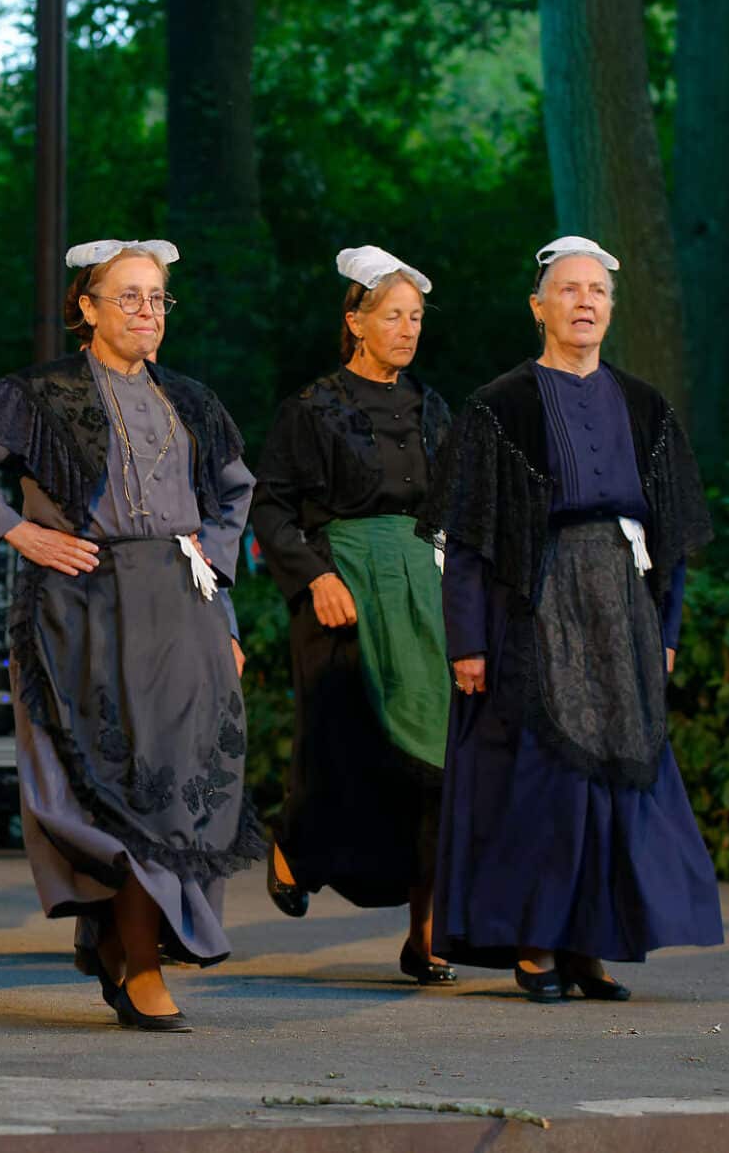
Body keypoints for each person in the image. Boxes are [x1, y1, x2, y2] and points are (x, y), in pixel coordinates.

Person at [0, 237, 262, 1032]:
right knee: (115, 785)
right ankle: (140, 964)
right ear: (87, 307)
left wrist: (219, 595)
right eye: (129, 296)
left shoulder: (194, 401)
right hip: (82, 608)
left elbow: (234, 491)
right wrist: (14, 530)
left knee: (178, 782)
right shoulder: (41, 392)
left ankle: (119, 941)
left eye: (158, 298)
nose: (147, 311)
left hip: (182, 608)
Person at [418, 234, 723, 1002]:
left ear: (611, 309)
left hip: (621, 605)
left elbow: (672, 537)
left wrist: (668, 630)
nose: (585, 302)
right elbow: (467, 538)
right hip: (533, 605)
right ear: (539, 307)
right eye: (569, 290)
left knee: (619, 781)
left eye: (597, 292)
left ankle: (591, 944)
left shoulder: (646, 407)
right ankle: (536, 945)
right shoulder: (500, 408)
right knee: (544, 781)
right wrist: (467, 640)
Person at [250, 247, 456, 985]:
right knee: (342, 742)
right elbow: (270, 507)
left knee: (437, 759)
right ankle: (292, 846)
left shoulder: (434, 408)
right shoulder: (313, 409)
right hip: (343, 583)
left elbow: (453, 509)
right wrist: (316, 578)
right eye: (392, 315)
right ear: (355, 321)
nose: (407, 329)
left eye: (417, 317)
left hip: (421, 587)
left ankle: (426, 933)